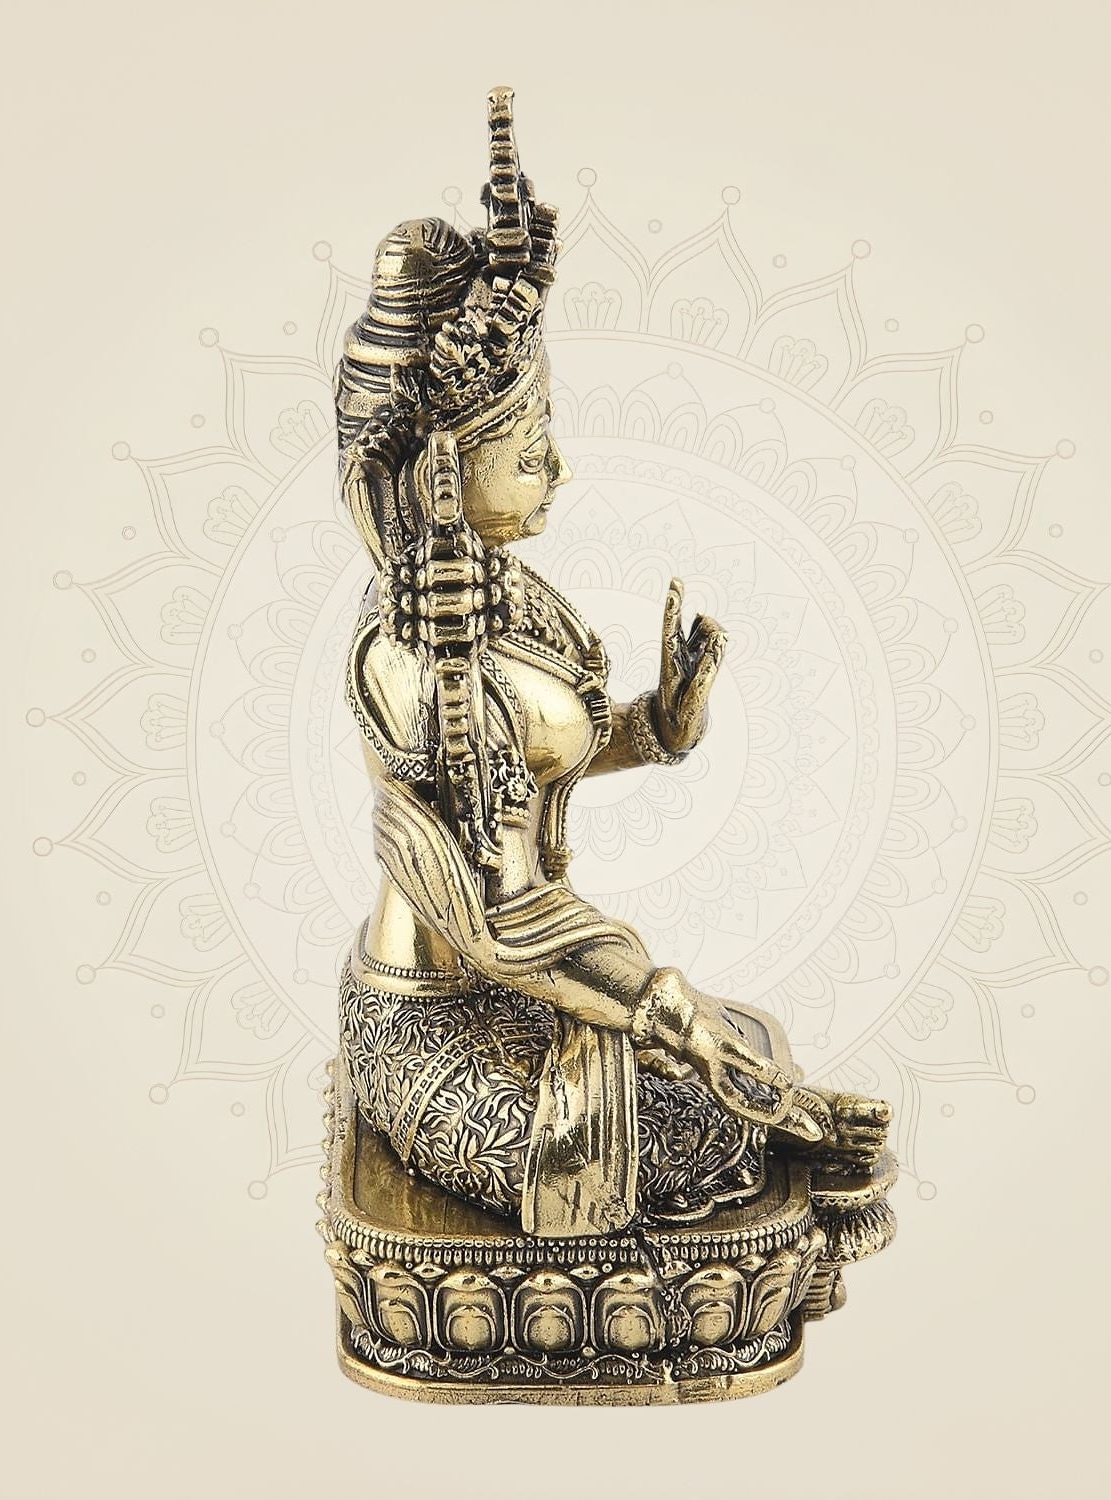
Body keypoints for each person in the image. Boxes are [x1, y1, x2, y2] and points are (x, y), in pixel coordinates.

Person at [336, 89, 890, 1238]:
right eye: (529, 445)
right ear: (443, 475)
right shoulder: (421, 661)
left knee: (737, 1066)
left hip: (533, 981)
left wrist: (658, 722)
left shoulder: (509, 598)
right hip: (440, 1014)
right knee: (694, 1122)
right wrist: (658, 1005)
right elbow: (500, 914)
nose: (558, 467)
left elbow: (551, 763)